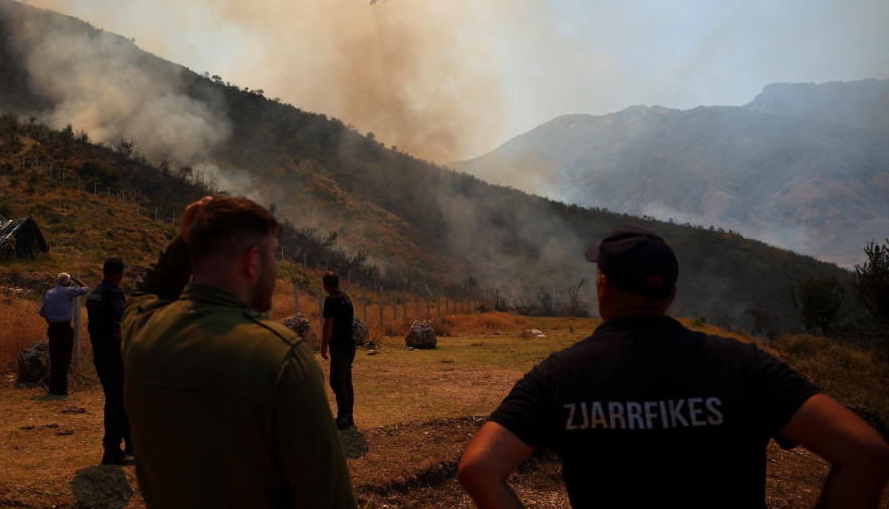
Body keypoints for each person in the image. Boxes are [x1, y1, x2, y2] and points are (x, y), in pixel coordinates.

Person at [458, 228, 889, 509]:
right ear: (672, 294)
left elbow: (479, 469)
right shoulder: (745, 365)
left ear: (603, 289)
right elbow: (865, 453)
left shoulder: (559, 376)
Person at [122, 196, 356, 508]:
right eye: (274, 256)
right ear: (252, 261)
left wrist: (183, 242)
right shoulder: (282, 360)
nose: (275, 268)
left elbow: (145, 292)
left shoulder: (142, 333)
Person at [87, 257, 134, 465]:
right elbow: (123, 315)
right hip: (114, 353)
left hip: (100, 351)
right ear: (119, 275)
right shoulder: (113, 293)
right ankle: (113, 451)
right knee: (117, 401)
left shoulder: (95, 293)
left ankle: (130, 445)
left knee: (118, 398)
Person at [38, 272, 89, 396]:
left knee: (54, 358)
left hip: (52, 329)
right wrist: (75, 279)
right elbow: (86, 289)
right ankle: (61, 389)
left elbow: (42, 313)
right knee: (64, 358)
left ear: (57, 281)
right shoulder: (68, 291)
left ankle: (52, 388)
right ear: (68, 282)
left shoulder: (49, 293)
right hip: (64, 328)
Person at [321, 270, 356, 430]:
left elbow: (328, 325)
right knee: (346, 380)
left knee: (336, 381)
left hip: (340, 346)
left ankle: (343, 417)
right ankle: (348, 416)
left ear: (325, 285)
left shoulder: (331, 300)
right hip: (350, 344)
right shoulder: (345, 298)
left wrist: (323, 346)